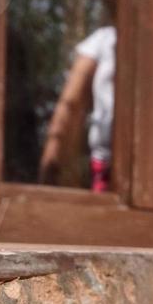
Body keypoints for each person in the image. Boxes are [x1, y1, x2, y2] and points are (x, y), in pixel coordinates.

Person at [38, 23, 115, 191]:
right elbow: (71, 106)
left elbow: (71, 105)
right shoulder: (105, 39)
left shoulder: (105, 39)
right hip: (109, 169)